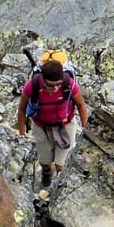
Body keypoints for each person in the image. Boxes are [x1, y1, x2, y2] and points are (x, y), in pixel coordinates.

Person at [17, 58, 89, 198]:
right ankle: (46, 173)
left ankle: (57, 192)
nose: (55, 88)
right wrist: (22, 133)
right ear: (43, 79)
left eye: (58, 84)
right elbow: (22, 109)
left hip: (65, 126)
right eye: (51, 85)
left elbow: (81, 105)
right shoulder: (33, 86)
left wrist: (85, 128)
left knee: (61, 164)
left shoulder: (70, 85)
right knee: (45, 160)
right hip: (41, 126)